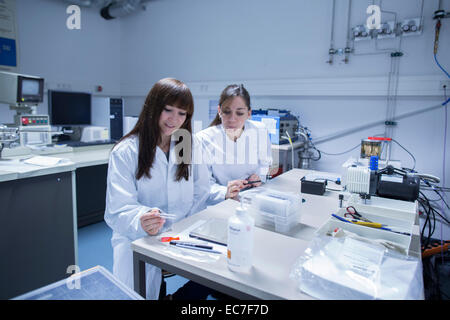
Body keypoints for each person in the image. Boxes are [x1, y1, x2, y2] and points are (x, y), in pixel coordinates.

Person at [104, 78, 210, 300]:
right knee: (134, 293)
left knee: (215, 273)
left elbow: (201, 191)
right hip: (138, 237)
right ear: (153, 107)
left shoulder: (187, 145)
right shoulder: (127, 151)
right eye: (168, 110)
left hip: (183, 232)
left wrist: (187, 225)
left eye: (182, 113)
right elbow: (117, 210)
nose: (174, 119)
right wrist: (141, 221)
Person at [196, 84, 272, 206]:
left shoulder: (260, 130)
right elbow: (203, 186)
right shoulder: (204, 139)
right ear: (219, 111)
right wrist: (225, 192)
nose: (232, 119)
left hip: (253, 197)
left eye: (239, 113)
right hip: (220, 204)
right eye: (227, 112)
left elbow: (265, 163)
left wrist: (259, 177)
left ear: (249, 113)